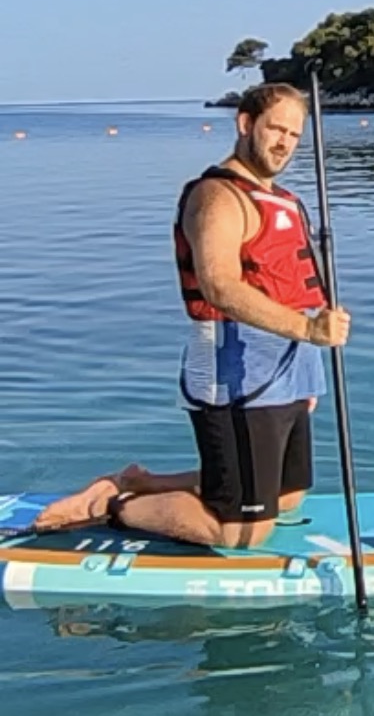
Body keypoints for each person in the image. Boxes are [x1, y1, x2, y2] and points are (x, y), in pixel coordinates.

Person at [36, 82, 351, 549]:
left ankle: (137, 483)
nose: (285, 142)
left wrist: (306, 373)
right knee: (240, 531)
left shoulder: (283, 198)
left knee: (287, 496)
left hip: (287, 367)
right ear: (246, 124)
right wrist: (307, 328)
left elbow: (293, 284)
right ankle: (115, 508)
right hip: (235, 373)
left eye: (295, 134)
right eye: (275, 129)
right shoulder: (217, 196)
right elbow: (219, 286)